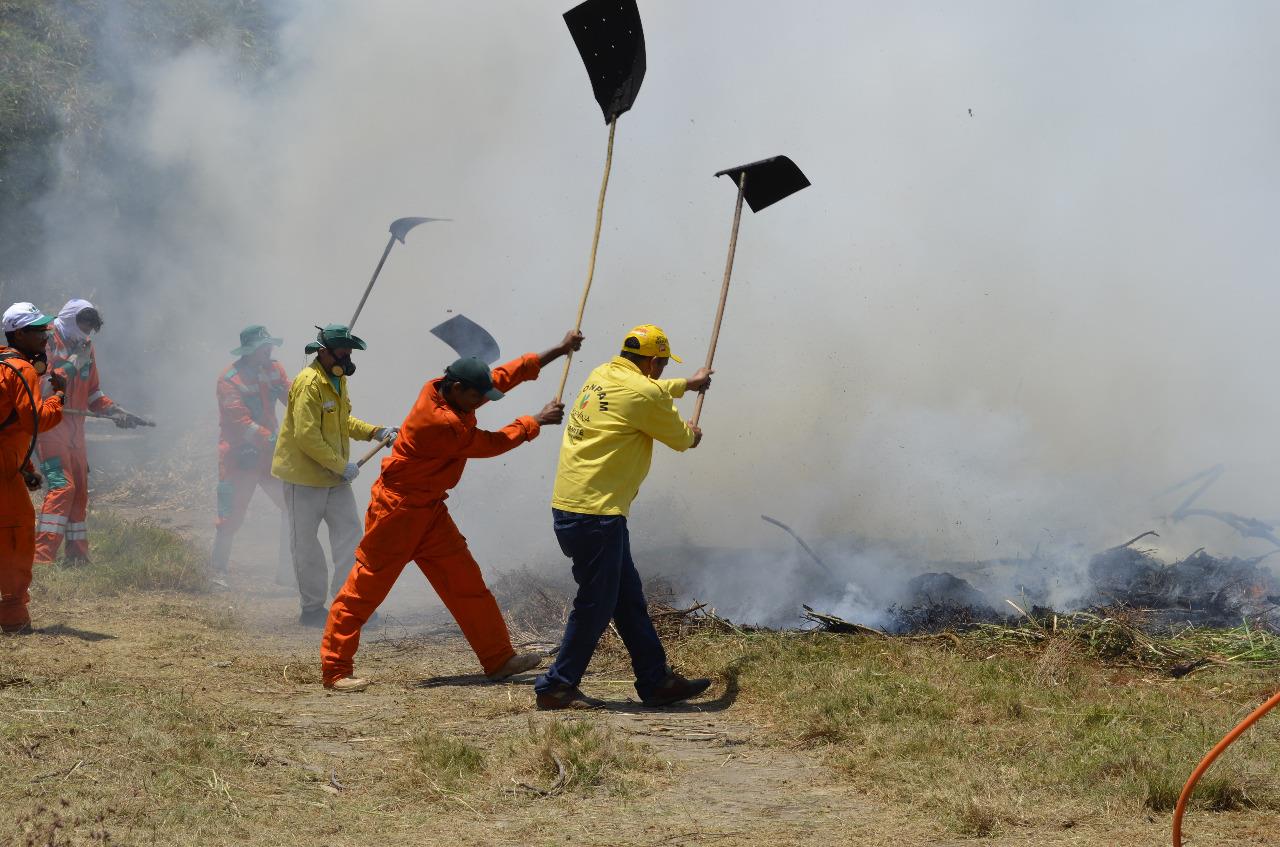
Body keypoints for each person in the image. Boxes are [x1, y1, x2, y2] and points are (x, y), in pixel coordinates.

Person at [320, 330, 585, 693]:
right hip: (397, 513)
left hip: (428, 511)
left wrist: (557, 348)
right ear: (458, 389)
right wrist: (535, 421)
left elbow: (500, 378)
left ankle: (498, 658)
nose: (481, 402)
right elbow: (491, 443)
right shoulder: (442, 424)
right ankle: (335, 671)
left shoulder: (444, 388)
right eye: (477, 397)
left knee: (466, 584)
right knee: (363, 590)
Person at [534, 324, 713, 709]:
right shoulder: (645, 393)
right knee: (596, 603)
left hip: (574, 506)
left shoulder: (603, 373)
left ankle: (655, 681)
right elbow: (684, 439)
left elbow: (648, 392)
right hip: (597, 515)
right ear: (651, 362)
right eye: (663, 365)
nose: (663, 372)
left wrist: (687, 384)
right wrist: (693, 432)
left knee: (627, 598)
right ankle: (556, 686)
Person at [271, 324, 398, 627]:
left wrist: (375, 431)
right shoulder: (308, 383)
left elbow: (343, 421)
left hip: (335, 479)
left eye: (349, 352)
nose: (347, 357)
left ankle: (348, 604)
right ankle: (312, 609)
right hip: (303, 479)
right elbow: (306, 436)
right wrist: (341, 466)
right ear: (324, 352)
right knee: (306, 545)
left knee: (350, 538)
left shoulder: (337, 381)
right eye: (343, 352)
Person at [34, 299, 146, 565]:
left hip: (75, 433)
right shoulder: (46, 342)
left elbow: (94, 392)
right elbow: (42, 389)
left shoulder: (86, 347)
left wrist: (116, 411)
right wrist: (72, 363)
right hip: (50, 428)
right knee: (63, 488)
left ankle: (77, 557)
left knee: (80, 491)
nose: (85, 334)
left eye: (90, 330)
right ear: (70, 320)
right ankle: (41, 558)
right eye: (83, 327)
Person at [0, 303, 66, 631]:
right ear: (20, 334)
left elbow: (7, 425)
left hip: (9, 462)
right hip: (2, 471)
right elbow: (35, 420)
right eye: (39, 331)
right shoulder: (22, 370)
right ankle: (13, 617)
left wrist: (25, 465)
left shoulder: (2, 364)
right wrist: (58, 400)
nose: (46, 336)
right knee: (14, 536)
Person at [211, 325, 292, 588]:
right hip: (239, 456)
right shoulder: (229, 379)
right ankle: (217, 572)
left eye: (269, 346)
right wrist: (274, 439)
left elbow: (293, 398)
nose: (269, 350)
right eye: (263, 347)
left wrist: (311, 390)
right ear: (250, 351)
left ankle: (287, 571)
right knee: (230, 515)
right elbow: (240, 423)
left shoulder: (274, 369)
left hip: (270, 456)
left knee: (292, 507)